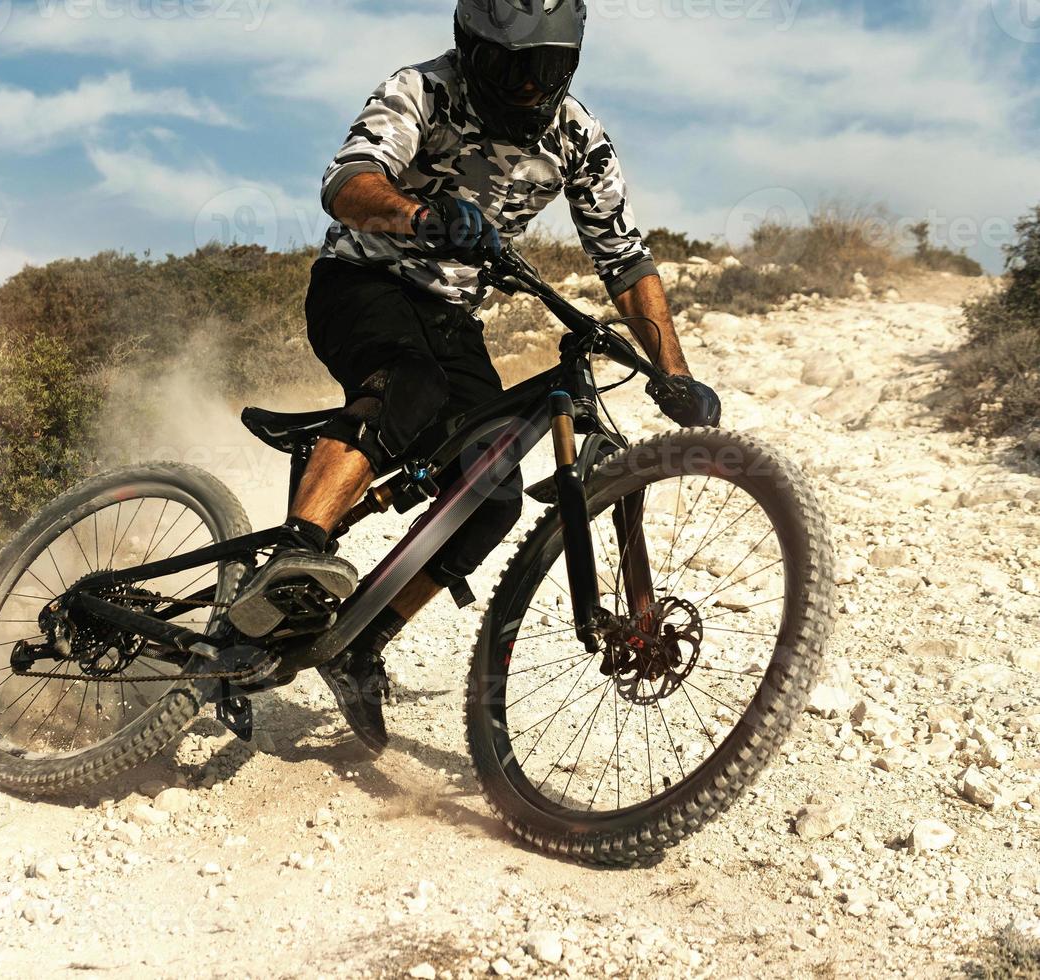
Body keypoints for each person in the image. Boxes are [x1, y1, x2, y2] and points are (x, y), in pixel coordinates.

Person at [229, 0, 722, 755]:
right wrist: (422, 217)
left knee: (490, 498)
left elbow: (625, 259)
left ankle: (360, 643)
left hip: (452, 317)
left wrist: (672, 372)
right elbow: (347, 182)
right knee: (408, 386)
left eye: (548, 69)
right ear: (472, 48)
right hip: (362, 282)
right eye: (511, 66)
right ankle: (297, 556)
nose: (529, 88)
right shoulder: (422, 89)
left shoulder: (578, 139)